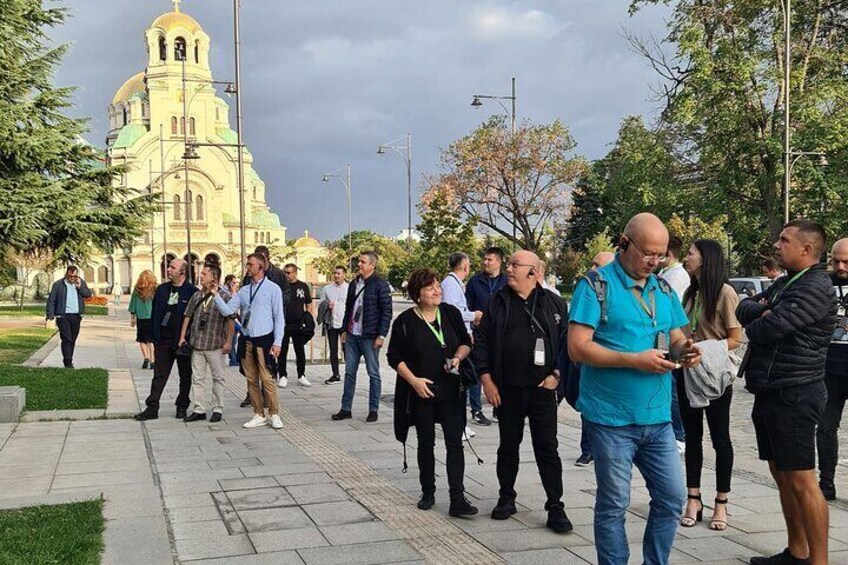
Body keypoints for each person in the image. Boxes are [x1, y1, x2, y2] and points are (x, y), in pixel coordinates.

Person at [568, 213, 702, 565]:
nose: (654, 262)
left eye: (660, 256)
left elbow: (676, 338)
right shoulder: (595, 285)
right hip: (611, 419)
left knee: (672, 499)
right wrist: (634, 360)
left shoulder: (663, 288)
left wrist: (685, 351)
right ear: (624, 243)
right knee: (614, 505)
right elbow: (577, 348)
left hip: (657, 419)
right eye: (647, 254)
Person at [737, 219, 836, 565]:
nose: (776, 245)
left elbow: (767, 329)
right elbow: (743, 308)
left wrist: (764, 312)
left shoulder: (815, 286)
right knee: (782, 475)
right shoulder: (787, 284)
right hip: (771, 389)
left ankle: (818, 561)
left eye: (784, 240)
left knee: (802, 479)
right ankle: (797, 551)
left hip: (795, 392)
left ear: (806, 249)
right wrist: (764, 308)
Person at [475, 250, 572, 534]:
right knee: (508, 446)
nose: (508, 268)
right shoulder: (497, 302)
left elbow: (567, 345)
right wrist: (486, 379)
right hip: (507, 390)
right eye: (509, 264)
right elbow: (481, 342)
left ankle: (555, 505)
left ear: (533, 272)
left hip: (543, 390)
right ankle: (507, 497)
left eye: (515, 265)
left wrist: (557, 375)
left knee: (548, 449)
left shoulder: (552, 303)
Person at [388, 268, 477, 517]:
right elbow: (394, 357)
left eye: (437, 285)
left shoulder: (449, 313)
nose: (437, 290)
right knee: (425, 443)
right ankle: (428, 492)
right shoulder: (405, 321)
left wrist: (458, 358)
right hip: (422, 392)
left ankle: (457, 498)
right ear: (417, 295)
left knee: (454, 444)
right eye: (430, 288)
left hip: (451, 390)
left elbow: (466, 342)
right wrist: (414, 381)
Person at [677, 239, 741, 531]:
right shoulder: (691, 293)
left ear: (706, 259)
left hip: (714, 374)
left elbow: (736, 339)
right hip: (687, 371)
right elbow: (679, 329)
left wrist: (707, 349)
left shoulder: (725, 293)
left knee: (720, 438)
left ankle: (722, 502)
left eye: (691, 254)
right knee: (692, 436)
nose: (686, 258)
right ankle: (693, 499)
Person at [215, 253, 285, 429]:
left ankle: (274, 413)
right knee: (251, 379)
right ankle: (258, 413)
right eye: (247, 264)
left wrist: (278, 342)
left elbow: (279, 317)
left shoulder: (272, 288)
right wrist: (215, 294)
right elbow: (228, 311)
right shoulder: (244, 291)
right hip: (247, 339)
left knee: (267, 378)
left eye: (251, 264)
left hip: (265, 339)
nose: (248, 267)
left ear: (261, 267)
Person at [332, 251, 392, 423]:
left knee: (373, 373)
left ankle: (373, 409)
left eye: (363, 262)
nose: (359, 264)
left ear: (372, 265)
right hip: (352, 335)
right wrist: (344, 329)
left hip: (370, 336)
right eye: (359, 261)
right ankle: (346, 408)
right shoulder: (354, 284)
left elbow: (386, 312)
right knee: (349, 372)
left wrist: (381, 335)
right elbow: (349, 309)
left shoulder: (380, 285)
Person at [135, 259, 198, 420]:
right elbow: (155, 314)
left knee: (185, 375)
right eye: (168, 267)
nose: (168, 269)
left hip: (182, 341)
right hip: (163, 340)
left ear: (182, 272)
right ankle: (152, 407)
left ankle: (182, 406)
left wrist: (188, 339)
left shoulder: (192, 292)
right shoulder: (162, 290)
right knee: (159, 374)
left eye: (172, 267)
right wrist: (153, 336)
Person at [178, 264, 234, 423]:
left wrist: (229, 342)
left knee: (218, 378)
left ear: (214, 277)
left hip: (215, 344)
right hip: (197, 344)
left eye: (204, 274)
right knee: (197, 378)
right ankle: (199, 409)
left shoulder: (224, 296)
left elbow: (231, 320)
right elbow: (187, 316)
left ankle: (217, 408)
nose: (200, 276)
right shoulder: (196, 296)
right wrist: (182, 337)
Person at [575, 251, 615, 467]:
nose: (593, 269)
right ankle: (587, 449)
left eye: (598, 265)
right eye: (592, 263)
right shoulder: (587, 290)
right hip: (590, 367)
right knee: (587, 410)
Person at [239, 245, 289, 406]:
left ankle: (269, 401)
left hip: (269, 325)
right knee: (250, 372)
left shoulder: (278, 275)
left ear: (265, 260)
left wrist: (276, 305)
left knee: (267, 369)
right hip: (251, 327)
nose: (249, 266)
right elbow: (244, 295)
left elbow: (286, 294)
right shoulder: (248, 277)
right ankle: (253, 397)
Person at [818, 237, 848, 501]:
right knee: (826, 427)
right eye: (836, 260)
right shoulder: (823, 284)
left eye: (846, 261)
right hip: (829, 368)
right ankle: (826, 482)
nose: (840, 266)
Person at [464, 246, 507, 426]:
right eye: (485, 259)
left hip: (502, 333)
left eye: (490, 260)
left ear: (499, 261)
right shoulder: (475, 281)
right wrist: (471, 329)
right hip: (480, 332)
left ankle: (499, 408)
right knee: (478, 371)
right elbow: (468, 306)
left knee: (501, 370)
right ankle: (476, 410)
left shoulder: (506, 281)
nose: (485, 262)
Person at [440, 252, 480, 441]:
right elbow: (452, 311)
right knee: (460, 383)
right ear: (465, 266)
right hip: (454, 341)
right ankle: (458, 425)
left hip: (461, 337)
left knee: (463, 382)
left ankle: (461, 424)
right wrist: (473, 316)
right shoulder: (450, 284)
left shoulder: (454, 283)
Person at [46, 266, 92, 369]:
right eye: (70, 276)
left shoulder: (81, 283)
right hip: (63, 316)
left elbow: (88, 295)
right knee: (67, 339)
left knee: (72, 339)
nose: (72, 278)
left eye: (74, 276)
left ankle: (69, 359)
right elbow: (51, 300)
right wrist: (50, 315)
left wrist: (80, 287)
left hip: (76, 316)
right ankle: (68, 362)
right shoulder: (58, 284)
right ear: (66, 274)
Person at [279, 263, 312, 388]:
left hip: (298, 323)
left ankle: (301, 375)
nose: (286, 275)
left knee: (300, 350)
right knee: (282, 350)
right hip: (284, 323)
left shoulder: (303, 286)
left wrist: (307, 318)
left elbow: (308, 303)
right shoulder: (282, 287)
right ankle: (282, 375)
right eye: (285, 272)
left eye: (288, 272)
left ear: (294, 273)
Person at [319, 265, 348, 385]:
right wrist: (326, 305)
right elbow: (320, 305)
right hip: (331, 322)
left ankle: (349, 373)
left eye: (339, 273)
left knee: (346, 349)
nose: (336, 275)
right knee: (333, 350)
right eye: (335, 273)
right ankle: (335, 374)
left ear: (344, 274)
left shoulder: (350, 288)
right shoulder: (326, 289)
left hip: (345, 323)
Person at [129, 270, 157, 370]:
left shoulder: (137, 289)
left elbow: (133, 303)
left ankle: (146, 358)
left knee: (142, 339)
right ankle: (153, 360)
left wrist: (132, 317)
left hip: (140, 317)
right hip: (151, 317)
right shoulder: (154, 289)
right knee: (151, 340)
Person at [224, 274, 240, 367]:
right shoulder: (225, 293)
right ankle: (233, 360)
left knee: (234, 340)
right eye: (233, 283)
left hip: (235, 319)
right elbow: (232, 307)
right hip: (230, 320)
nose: (235, 285)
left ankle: (234, 359)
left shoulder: (231, 291)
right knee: (232, 340)